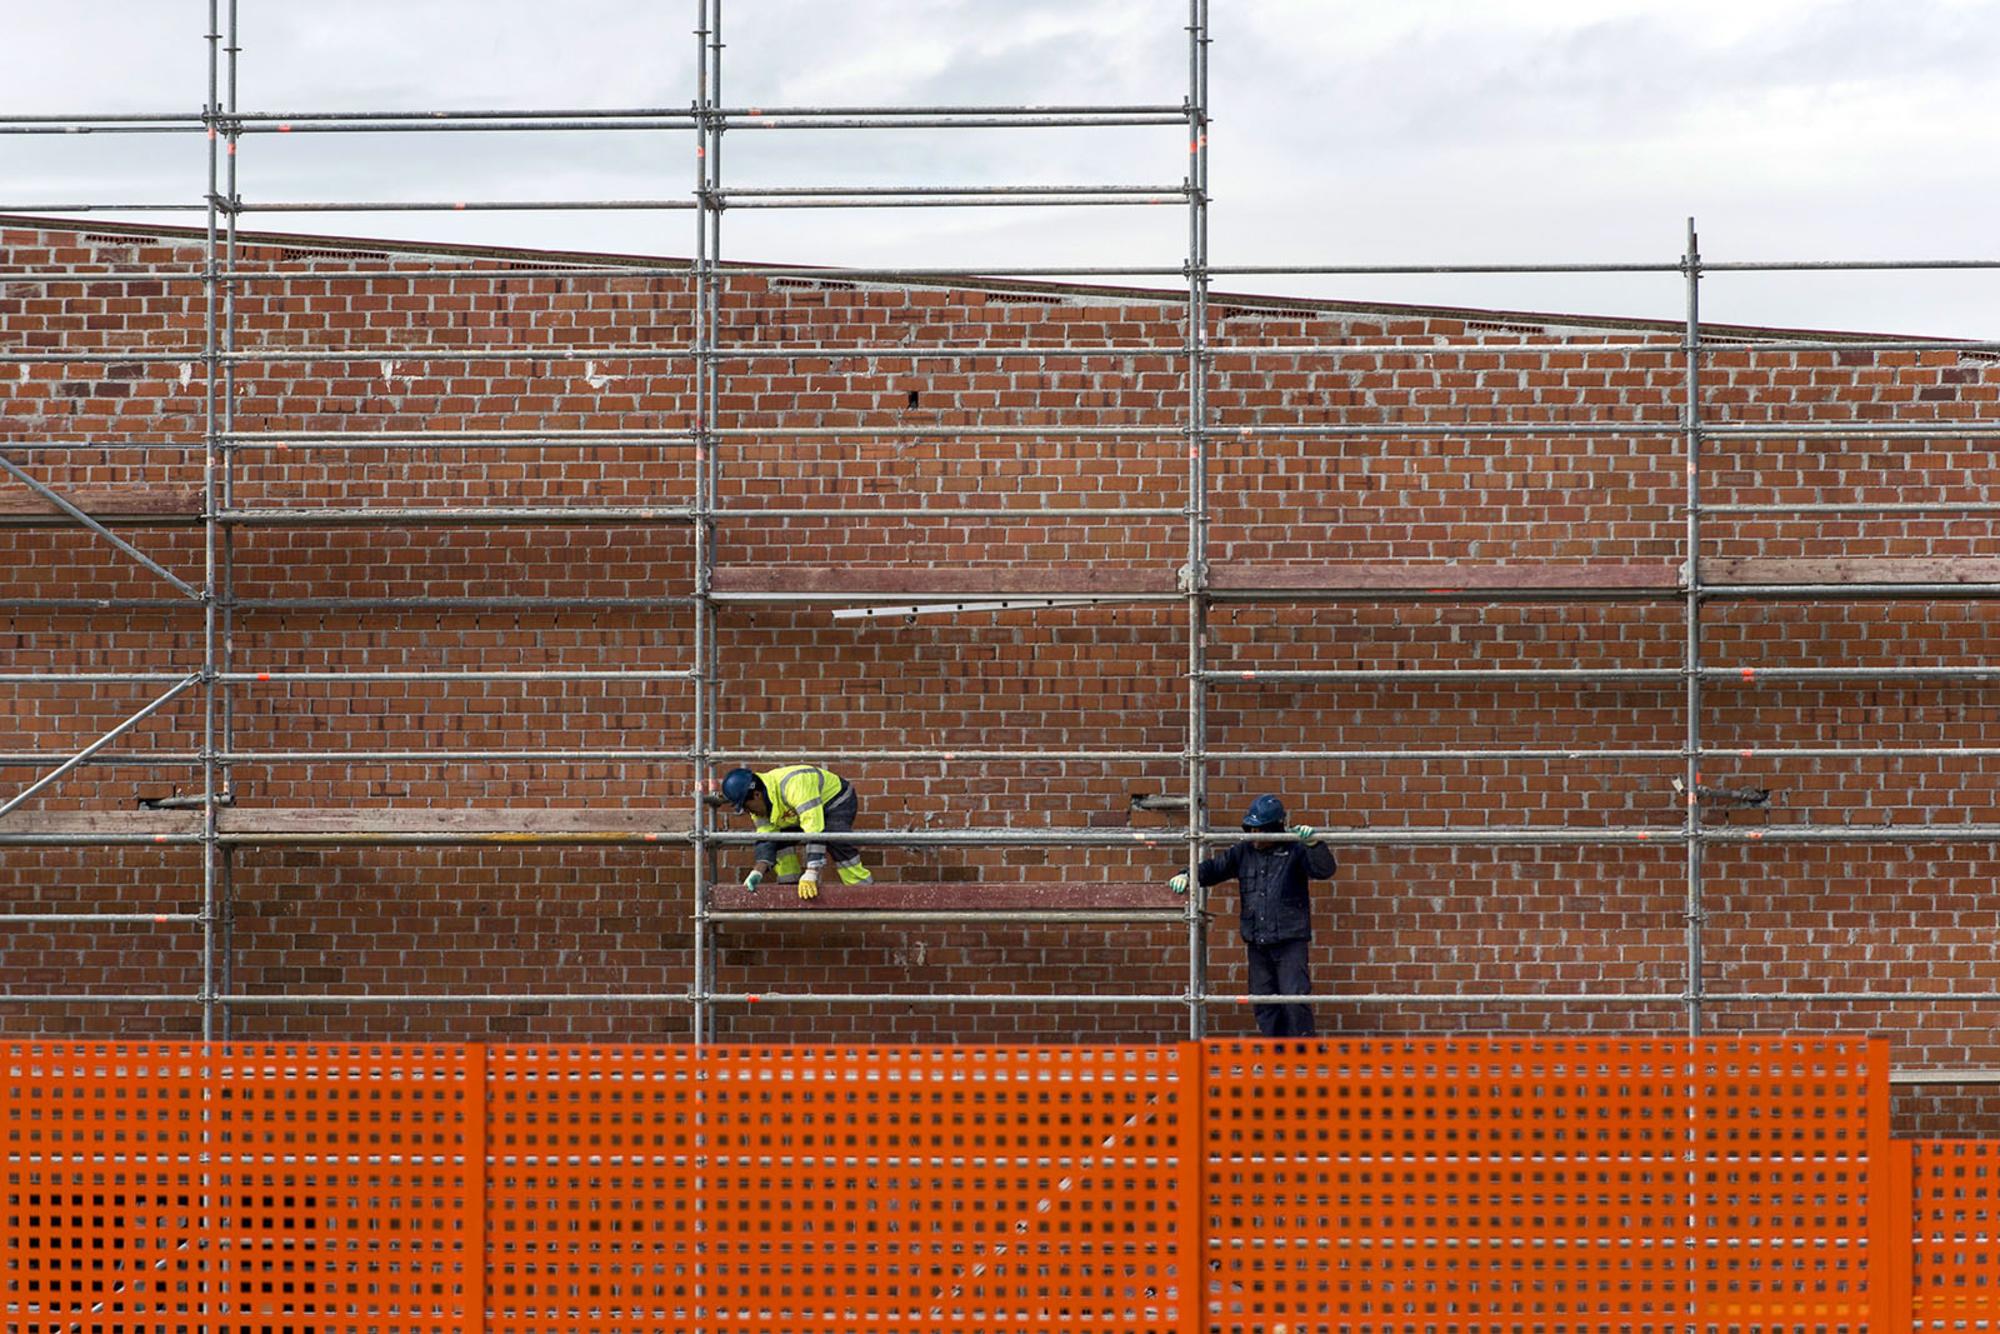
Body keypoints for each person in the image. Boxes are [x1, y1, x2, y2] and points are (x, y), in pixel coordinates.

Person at [1168, 794, 1333, 1038]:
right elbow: (1215, 868)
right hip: (1257, 941)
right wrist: (1188, 874)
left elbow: (1324, 870)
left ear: (1276, 827)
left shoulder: (1294, 849)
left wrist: (1314, 844)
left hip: (1289, 940)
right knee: (1263, 1001)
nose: (1254, 835)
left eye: (1260, 830)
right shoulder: (1243, 852)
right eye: (1251, 828)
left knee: (1294, 998)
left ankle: (1302, 1053)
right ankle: (1276, 1052)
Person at [719, 764, 874, 900]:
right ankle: (789, 886)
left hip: (836, 800)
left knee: (835, 837)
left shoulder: (794, 785)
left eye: (747, 807)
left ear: (757, 795)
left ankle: (861, 889)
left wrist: (811, 872)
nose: (748, 812)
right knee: (779, 839)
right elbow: (767, 837)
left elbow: (814, 830)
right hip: (802, 812)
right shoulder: (759, 808)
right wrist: (757, 871)